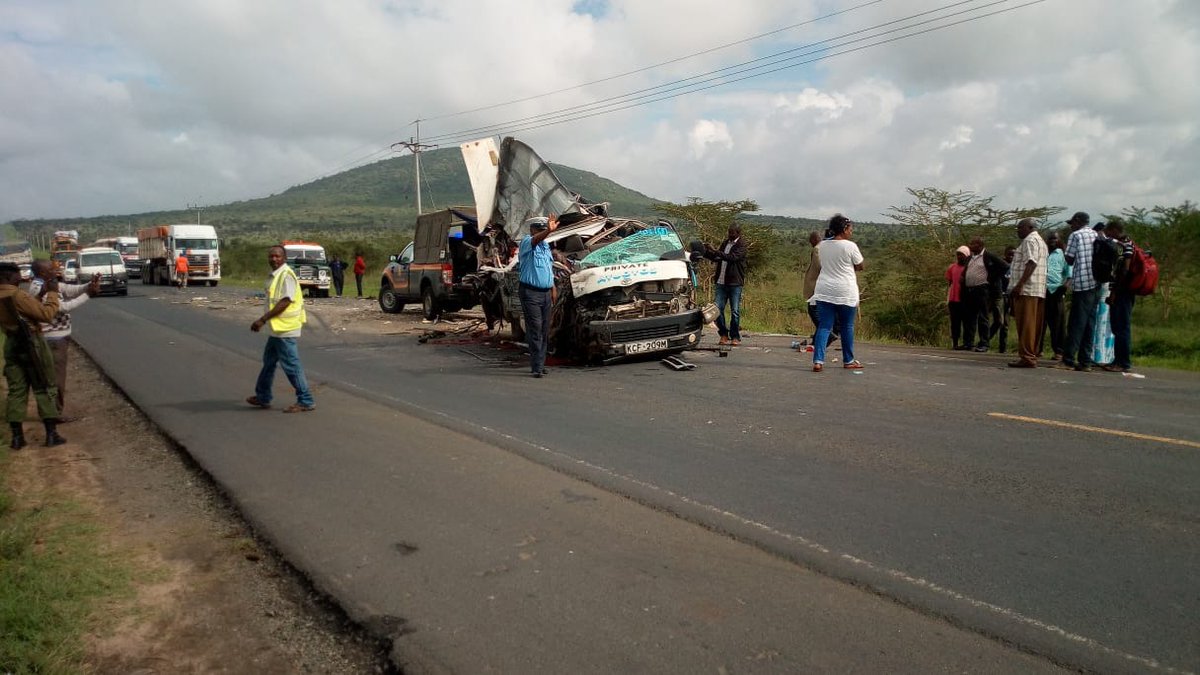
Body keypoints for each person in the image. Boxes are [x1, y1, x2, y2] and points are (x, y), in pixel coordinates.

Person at [0, 262, 65, 448]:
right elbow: (46, 315)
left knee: (16, 390)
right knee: (44, 385)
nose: (20, 278)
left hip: (11, 343)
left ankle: (17, 438)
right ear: (8, 277)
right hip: (32, 342)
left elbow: (25, 310)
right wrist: (52, 293)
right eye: (17, 276)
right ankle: (51, 435)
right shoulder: (17, 295)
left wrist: (38, 297)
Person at [27, 260, 100, 421]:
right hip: (52, 339)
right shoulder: (39, 288)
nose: (56, 269)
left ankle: (52, 411)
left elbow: (69, 290)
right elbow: (63, 307)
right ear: (43, 272)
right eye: (51, 268)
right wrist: (89, 294)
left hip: (57, 337)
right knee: (55, 378)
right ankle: (53, 413)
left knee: (54, 377)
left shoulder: (48, 283)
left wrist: (88, 285)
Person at [246, 245, 314, 412]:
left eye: (277, 256)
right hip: (277, 329)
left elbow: (285, 301)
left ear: (284, 258)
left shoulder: (286, 275)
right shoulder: (275, 276)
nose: (274, 259)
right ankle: (263, 396)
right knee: (269, 363)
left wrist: (262, 319)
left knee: (291, 365)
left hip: (285, 329)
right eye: (271, 256)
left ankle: (305, 399)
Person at [811, 214, 864, 372]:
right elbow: (860, 265)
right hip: (845, 291)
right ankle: (848, 360)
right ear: (844, 229)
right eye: (850, 229)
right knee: (847, 325)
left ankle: (818, 361)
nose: (851, 232)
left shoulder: (822, 245)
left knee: (824, 326)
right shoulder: (850, 246)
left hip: (824, 289)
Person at [518, 214, 558, 378]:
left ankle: (540, 363)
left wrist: (552, 287)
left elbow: (548, 268)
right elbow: (535, 240)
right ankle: (536, 367)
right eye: (539, 230)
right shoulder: (527, 241)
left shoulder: (545, 246)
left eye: (544, 230)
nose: (542, 233)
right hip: (530, 292)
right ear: (532, 229)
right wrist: (548, 230)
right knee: (535, 329)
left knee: (544, 329)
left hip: (545, 293)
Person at [1060, 211, 1100, 371]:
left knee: (1076, 323)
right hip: (1096, 283)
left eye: (1072, 223)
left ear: (1078, 221)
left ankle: (1068, 359)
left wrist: (1063, 249)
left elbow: (1069, 259)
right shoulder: (1096, 235)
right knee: (1090, 324)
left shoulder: (1076, 235)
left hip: (1083, 283)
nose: (1071, 226)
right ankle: (1085, 361)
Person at [1006, 219, 1048, 368]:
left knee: (1026, 324)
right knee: (1033, 324)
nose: (1018, 231)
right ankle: (1030, 354)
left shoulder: (1030, 240)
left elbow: (1031, 262)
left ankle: (1027, 357)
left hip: (1027, 289)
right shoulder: (1041, 241)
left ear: (1030, 227)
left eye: (1020, 228)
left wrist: (1020, 284)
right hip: (1037, 289)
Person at [962, 237, 1009, 352]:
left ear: (980, 245)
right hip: (970, 290)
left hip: (982, 290)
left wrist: (991, 277)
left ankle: (984, 343)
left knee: (983, 317)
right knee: (970, 318)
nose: (970, 245)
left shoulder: (988, 256)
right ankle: (969, 343)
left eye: (973, 244)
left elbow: (1005, 266)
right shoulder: (970, 258)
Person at [704, 223, 748, 346]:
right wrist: (707, 252)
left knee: (735, 311)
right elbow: (718, 257)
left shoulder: (742, 245)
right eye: (729, 232)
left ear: (738, 233)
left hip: (734, 283)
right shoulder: (725, 243)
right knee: (717, 310)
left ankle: (735, 336)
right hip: (721, 281)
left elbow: (732, 258)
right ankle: (723, 334)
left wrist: (716, 251)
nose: (730, 235)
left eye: (732, 233)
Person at [1103, 220, 1136, 372]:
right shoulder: (1125, 244)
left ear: (1115, 230)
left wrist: (1114, 292)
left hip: (1122, 292)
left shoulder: (1125, 246)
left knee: (1122, 327)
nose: (1107, 234)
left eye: (1109, 231)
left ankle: (1123, 362)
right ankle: (1118, 360)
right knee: (1118, 327)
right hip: (1121, 291)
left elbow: (1124, 270)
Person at [1040, 232, 1071, 360]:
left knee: (1058, 324)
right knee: (1040, 323)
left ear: (1059, 240)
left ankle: (1059, 351)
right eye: (1050, 238)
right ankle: (1037, 349)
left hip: (1057, 291)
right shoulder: (1043, 253)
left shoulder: (1063, 255)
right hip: (1042, 291)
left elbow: (1069, 273)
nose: (1052, 240)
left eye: (1055, 238)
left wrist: (1065, 286)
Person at [946, 246, 970, 350]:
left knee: (966, 322)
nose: (959, 257)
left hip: (965, 299)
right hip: (953, 299)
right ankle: (955, 342)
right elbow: (950, 282)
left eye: (962, 255)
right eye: (958, 255)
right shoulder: (952, 267)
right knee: (955, 322)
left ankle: (966, 343)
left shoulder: (969, 268)